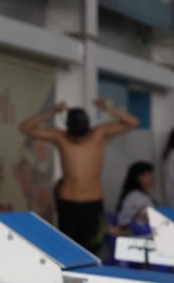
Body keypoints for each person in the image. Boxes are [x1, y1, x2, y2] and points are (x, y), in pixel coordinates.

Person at [18, 98, 139, 254]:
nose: (79, 140)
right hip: (68, 204)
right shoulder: (59, 136)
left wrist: (108, 109)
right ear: (68, 128)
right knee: (68, 250)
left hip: (93, 204)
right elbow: (24, 128)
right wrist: (52, 111)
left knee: (93, 249)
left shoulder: (99, 133)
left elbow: (133, 122)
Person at [116, 161, 157, 227]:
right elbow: (136, 218)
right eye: (149, 174)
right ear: (139, 177)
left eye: (152, 174)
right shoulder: (134, 196)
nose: (152, 177)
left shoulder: (146, 195)